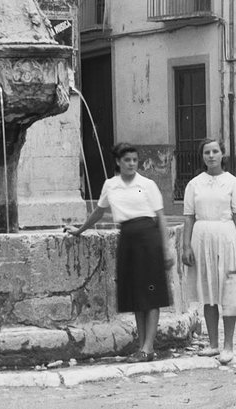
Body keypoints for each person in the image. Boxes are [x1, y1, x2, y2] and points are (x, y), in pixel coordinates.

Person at [67, 143, 174, 363]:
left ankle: (148, 347)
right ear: (118, 162)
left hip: (148, 240)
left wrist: (166, 250)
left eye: (135, 160)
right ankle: (142, 347)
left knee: (151, 295)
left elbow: (160, 217)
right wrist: (79, 230)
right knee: (136, 296)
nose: (132, 164)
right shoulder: (111, 185)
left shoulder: (147, 184)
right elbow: (99, 211)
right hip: (127, 240)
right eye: (127, 160)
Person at [180, 139, 236, 365]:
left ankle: (228, 345)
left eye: (215, 151)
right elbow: (188, 217)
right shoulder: (194, 184)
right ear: (202, 157)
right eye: (207, 152)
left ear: (222, 154)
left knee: (228, 292)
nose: (211, 156)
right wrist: (186, 245)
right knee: (208, 292)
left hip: (226, 236)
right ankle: (212, 344)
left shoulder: (233, 183)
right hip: (201, 236)